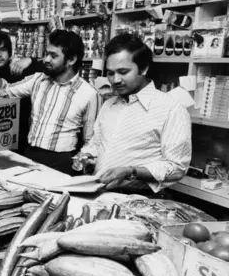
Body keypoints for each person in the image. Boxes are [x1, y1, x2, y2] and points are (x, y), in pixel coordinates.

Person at [74, 33, 192, 194]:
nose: (115, 80)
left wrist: (131, 171)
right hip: (100, 193)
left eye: (123, 71)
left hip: (140, 199)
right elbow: (96, 144)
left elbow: (177, 168)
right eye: (110, 73)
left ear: (143, 68)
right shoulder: (109, 105)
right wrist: (86, 156)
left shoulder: (171, 109)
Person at [0, 30, 101, 175]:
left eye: (53, 56)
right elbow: (6, 92)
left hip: (62, 162)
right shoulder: (38, 80)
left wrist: (82, 161)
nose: (46, 59)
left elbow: (91, 141)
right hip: (30, 154)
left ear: (72, 59)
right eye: (46, 54)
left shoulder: (89, 94)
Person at [0, 31, 45, 154]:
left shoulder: (18, 69)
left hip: (20, 139)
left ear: (10, 53)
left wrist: (30, 60)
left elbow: (47, 73)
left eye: (3, 50)